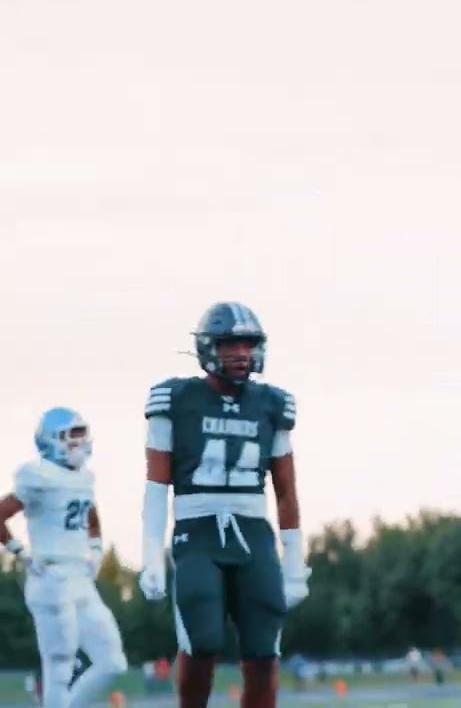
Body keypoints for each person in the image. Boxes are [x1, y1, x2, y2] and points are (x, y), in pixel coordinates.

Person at [137, 302, 311, 708]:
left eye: (248, 345)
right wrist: (150, 556)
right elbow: (156, 486)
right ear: (208, 347)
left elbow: (285, 490)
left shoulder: (271, 404)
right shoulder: (176, 399)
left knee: (265, 653)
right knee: (202, 644)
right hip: (196, 531)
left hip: (253, 533)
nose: (241, 354)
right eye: (231, 344)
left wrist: (295, 561)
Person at [0, 408, 128, 708]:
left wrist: (95, 550)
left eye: (82, 437)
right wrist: (19, 550)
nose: (80, 445)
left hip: (79, 578)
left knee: (112, 661)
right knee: (59, 666)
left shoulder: (84, 478)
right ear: (52, 441)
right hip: (50, 576)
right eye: (73, 438)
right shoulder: (37, 475)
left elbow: (91, 516)